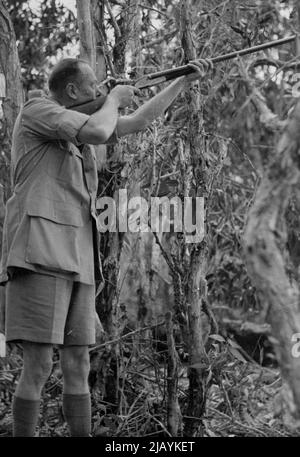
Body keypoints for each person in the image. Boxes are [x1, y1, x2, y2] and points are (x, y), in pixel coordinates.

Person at [0, 56, 212, 437]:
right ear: (72, 91)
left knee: (78, 362)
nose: (98, 91)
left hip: (78, 259)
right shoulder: (38, 110)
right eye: (94, 87)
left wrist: (182, 82)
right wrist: (113, 98)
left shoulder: (78, 130)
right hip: (40, 253)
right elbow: (100, 130)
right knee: (37, 367)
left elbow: (138, 122)